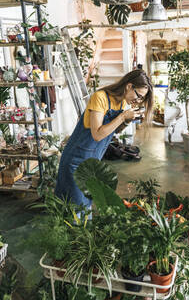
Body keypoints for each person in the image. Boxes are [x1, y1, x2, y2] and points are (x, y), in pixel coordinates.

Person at [55, 69, 153, 207]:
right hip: (76, 159)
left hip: (93, 160)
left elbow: (114, 131)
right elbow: (97, 134)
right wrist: (123, 116)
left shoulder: (122, 103)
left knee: (86, 205)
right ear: (129, 86)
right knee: (74, 207)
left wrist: (127, 120)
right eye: (138, 96)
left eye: (141, 98)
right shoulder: (100, 97)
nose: (138, 100)